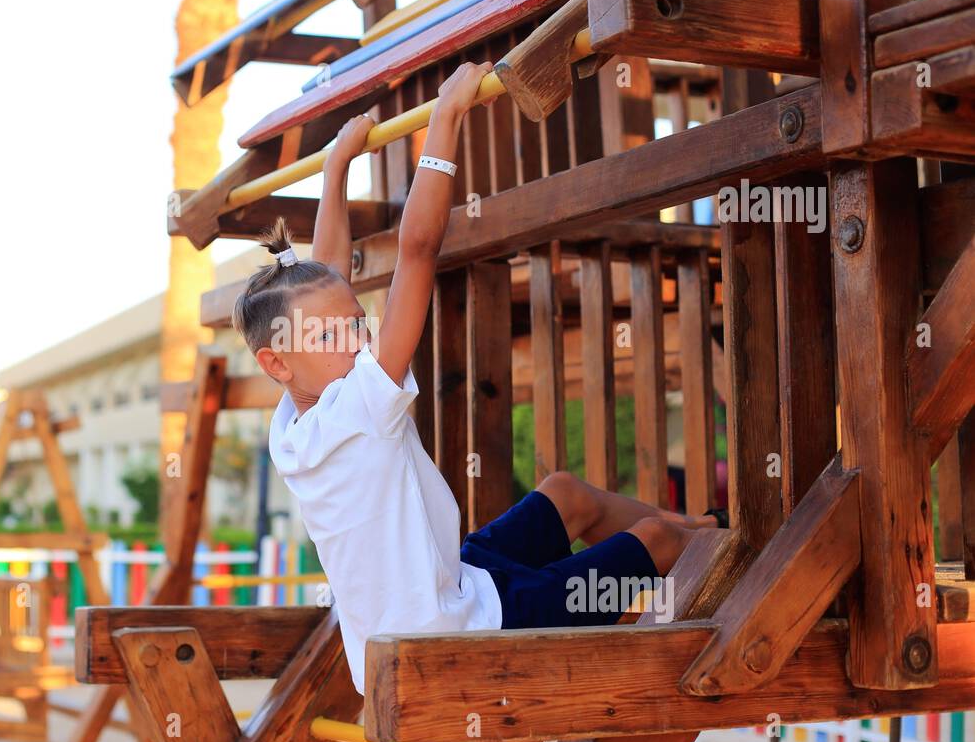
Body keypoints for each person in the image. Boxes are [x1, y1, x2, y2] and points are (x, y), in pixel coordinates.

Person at [231, 62, 719, 696]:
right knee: (653, 540)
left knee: (566, 493)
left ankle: (710, 530)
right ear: (278, 362)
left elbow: (323, 278)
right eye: (332, 336)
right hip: (455, 640)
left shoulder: (291, 425)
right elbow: (418, 252)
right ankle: (722, 544)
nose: (356, 338)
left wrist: (335, 170)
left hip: (448, 589)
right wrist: (446, 118)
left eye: (357, 322)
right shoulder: (360, 400)